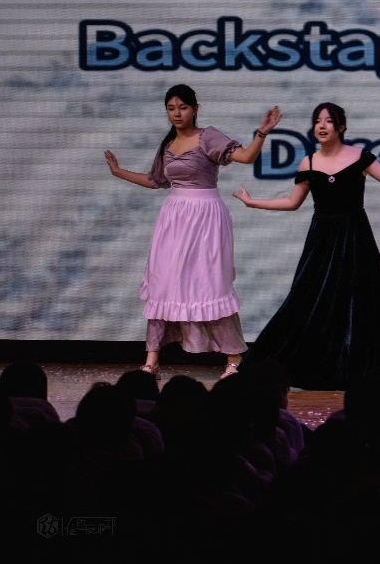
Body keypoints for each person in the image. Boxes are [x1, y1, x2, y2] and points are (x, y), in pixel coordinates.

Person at [233, 102, 380, 390]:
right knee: (306, 298)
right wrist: (253, 202)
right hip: (322, 239)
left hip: (356, 237)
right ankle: (297, 366)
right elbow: (292, 202)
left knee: (362, 300)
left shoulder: (360, 156)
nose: (322, 126)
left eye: (329, 121)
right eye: (317, 121)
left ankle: (362, 368)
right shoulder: (308, 163)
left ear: (341, 126)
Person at [104, 85, 281, 380]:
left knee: (208, 284)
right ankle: (152, 360)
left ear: (195, 109)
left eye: (182, 107)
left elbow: (247, 157)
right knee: (164, 283)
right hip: (174, 218)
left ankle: (233, 358)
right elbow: (156, 180)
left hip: (205, 217)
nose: (177, 113)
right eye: (171, 108)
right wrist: (118, 171)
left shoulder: (208, 136)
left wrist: (262, 132)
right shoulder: (168, 143)